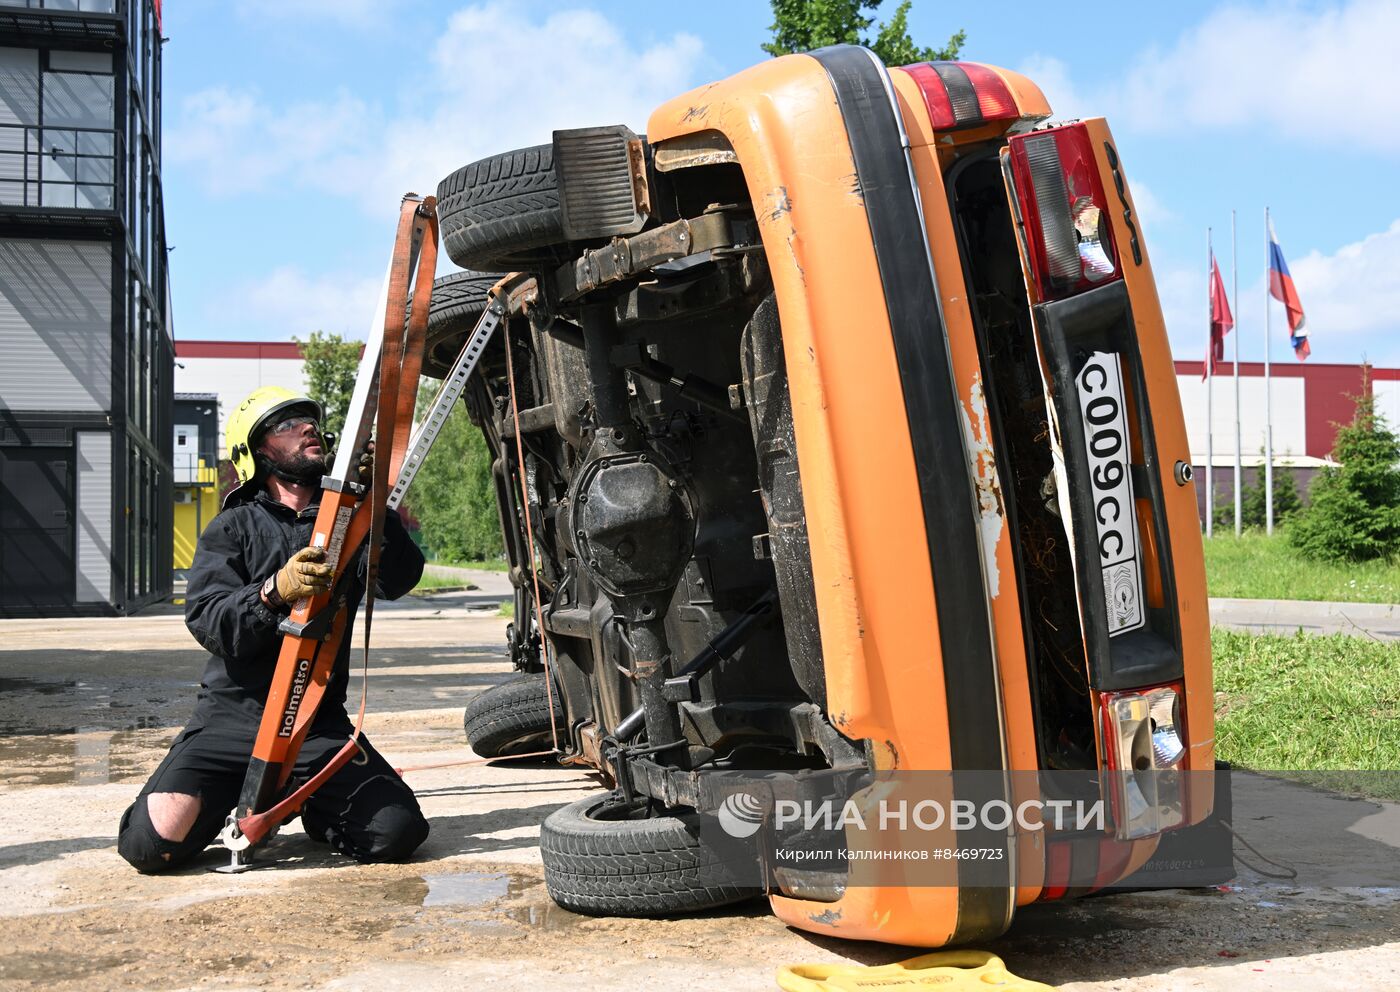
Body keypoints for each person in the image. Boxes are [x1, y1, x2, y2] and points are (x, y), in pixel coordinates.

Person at [117, 386, 428, 873]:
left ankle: (310, 807)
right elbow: (211, 621)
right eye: (286, 424)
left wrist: (376, 507)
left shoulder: (350, 519)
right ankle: (222, 792)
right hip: (230, 719)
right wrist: (273, 591)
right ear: (258, 451)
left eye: (309, 421)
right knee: (152, 846)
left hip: (315, 724)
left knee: (397, 833)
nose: (307, 428)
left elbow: (399, 580)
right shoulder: (233, 528)